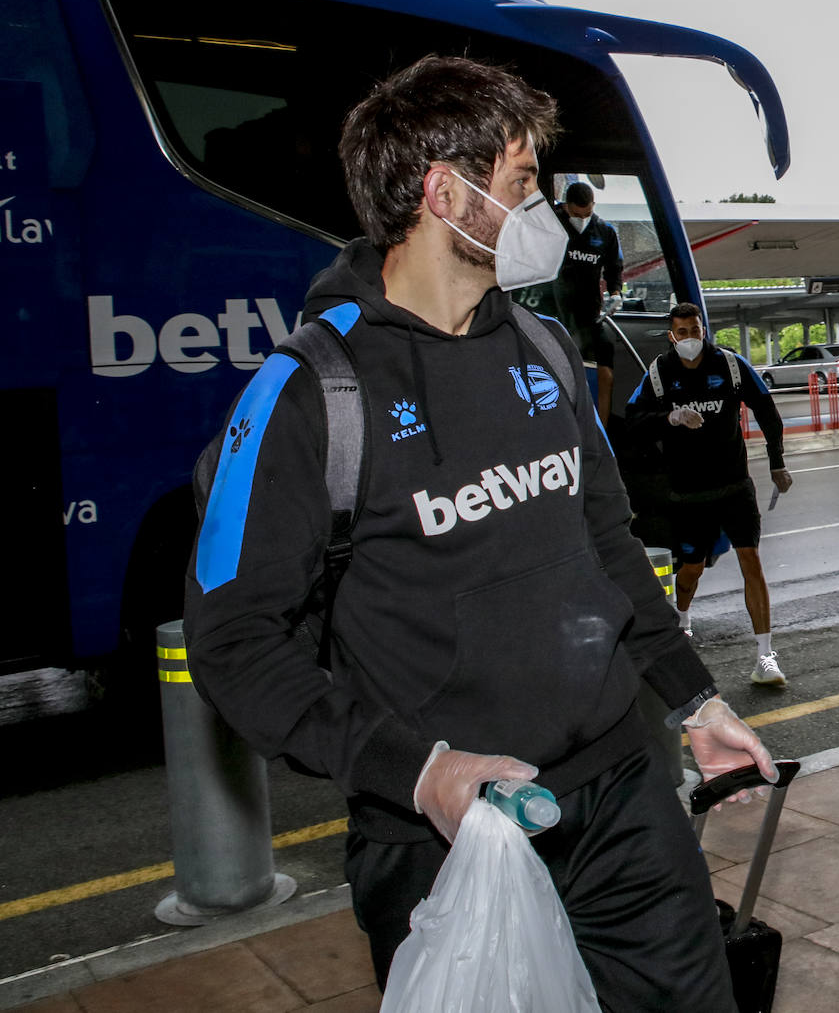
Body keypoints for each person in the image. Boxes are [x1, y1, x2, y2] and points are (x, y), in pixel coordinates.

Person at [182, 55, 776, 1010]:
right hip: (445, 833)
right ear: (444, 191)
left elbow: (608, 544)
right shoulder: (307, 394)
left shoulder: (542, 345)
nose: (542, 212)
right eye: (523, 183)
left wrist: (694, 703)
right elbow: (234, 640)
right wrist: (414, 773)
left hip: (622, 789)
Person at [625, 303, 793, 684]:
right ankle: (683, 620)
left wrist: (777, 462)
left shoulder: (730, 366)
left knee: (750, 559)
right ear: (672, 336)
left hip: (734, 486)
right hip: (688, 492)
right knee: (692, 570)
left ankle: (765, 655)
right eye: (682, 332)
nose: (690, 339)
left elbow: (767, 410)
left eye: (695, 330)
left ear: (705, 330)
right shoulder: (659, 374)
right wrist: (670, 418)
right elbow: (632, 422)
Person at [556, 181, 623, 423]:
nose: (581, 219)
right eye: (576, 214)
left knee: (605, 356)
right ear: (566, 206)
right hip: (556, 312)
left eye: (587, 214)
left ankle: (601, 429)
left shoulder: (604, 232)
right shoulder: (552, 224)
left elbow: (614, 268)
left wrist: (615, 293)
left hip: (590, 312)